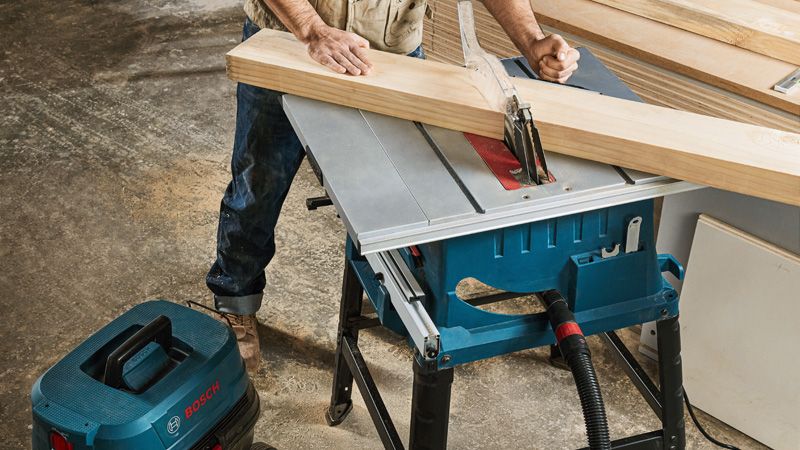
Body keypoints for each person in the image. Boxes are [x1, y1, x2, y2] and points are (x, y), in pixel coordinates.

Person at [207, 0, 581, 372]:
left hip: (387, 51)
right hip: (288, 39)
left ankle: (398, 300)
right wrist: (312, 30)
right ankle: (235, 301)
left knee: (398, 195)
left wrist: (532, 40)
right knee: (259, 184)